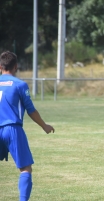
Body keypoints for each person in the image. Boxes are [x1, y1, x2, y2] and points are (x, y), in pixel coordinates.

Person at [0, 51, 55, 201]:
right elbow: (30, 110)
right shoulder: (19, 84)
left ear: (0, 67)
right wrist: (44, 126)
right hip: (12, 129)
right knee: (25, 169)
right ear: (16, 66)